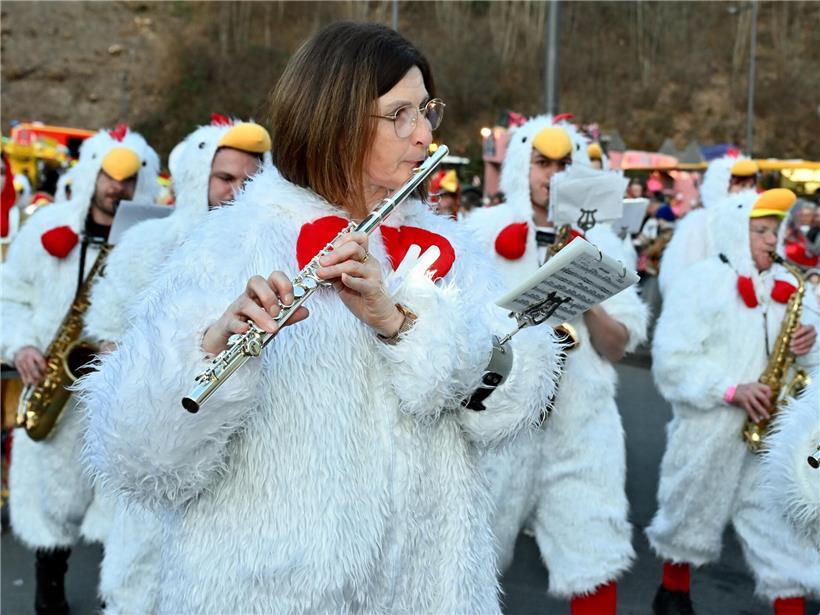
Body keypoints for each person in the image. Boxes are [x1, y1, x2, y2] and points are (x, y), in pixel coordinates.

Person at [77, 22, 561, 614]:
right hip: (268, 592)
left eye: (427, 110)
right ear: (334, 119)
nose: (425, 132)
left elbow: (513, 395)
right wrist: (209, 351)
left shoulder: (444, 247)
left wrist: (405, 326)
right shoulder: (236, 240)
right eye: (400, 114)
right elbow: (141, 463)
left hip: (423, 590)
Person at [82, 116, 271, 613]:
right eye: (224, 178)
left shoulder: (267, 249)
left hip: (233, 456)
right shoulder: (145, 245)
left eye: (248, 180)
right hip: (159, 437)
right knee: (140, 580)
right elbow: (107, 330)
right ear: (196, 178)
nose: (236, 191)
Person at [465, 115, 648, 615]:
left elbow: (617, 346)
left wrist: (588, 294)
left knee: (595, 556)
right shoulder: (481, 232)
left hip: (582, 430)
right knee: (467, 564)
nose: (552, 174)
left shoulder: (607, 244)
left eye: (564, 164)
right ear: (523, 165)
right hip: (498, 430)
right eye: (542, 162)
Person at [2, 125, 159, 615]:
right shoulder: (42, 229)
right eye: (111, 179)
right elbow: (9, 296)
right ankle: (49, 590)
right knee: (52, 500)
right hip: (53, 380)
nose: (119, 190)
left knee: (121, 504)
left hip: (117, 389)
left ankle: (119, 595)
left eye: (129, 181)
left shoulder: (150, 241)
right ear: (91, 175)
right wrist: (21, 345)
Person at [647, 188, 820, 615]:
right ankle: (673, 595)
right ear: (731, 231)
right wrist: (729, 388)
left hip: (773, 436)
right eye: (759, 230)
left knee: (786, 541)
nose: (769, 240)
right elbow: (672, 360)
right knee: (687, 516)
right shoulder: (699, 281)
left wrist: (808, 344)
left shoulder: (792, 286)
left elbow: (815, 362)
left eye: (774, 231)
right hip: (707, 430)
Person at [658, 157, 758, 296]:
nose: (746, 192)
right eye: (740, 186)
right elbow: (678, 274)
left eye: (750, 186)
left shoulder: (755, 223)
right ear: (721, 186)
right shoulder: (699, 223)